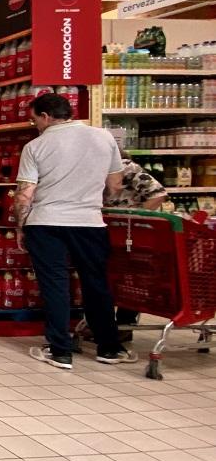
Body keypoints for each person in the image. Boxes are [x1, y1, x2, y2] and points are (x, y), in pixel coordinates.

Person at [15, 93, 126, 369]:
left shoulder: (35, 146)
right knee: (96, 284)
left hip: (46, 222)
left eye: (35, 120)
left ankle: (60, 350)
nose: (36, 126)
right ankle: (108, 347)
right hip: (89, 222)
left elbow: (24, 194)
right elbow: (115, 184)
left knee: (55, 285)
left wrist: (20, 225)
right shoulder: (104, 137)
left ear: (45, 116)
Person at [103, 150, 167, 346]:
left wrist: (136, 218)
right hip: (108, 232)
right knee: (111, 276)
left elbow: (158, 194)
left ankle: (125, 324)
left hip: (131, 235)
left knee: (129, 279)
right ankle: (106, 324)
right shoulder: (92, 166)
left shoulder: (126, 168)